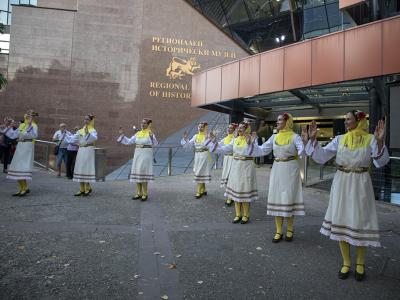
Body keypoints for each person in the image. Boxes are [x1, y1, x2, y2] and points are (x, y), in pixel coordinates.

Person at [303, 110, 389, 281]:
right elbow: (321, 157)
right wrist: (313, 140)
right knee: (341, 219)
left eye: (348, 119)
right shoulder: (340, 139)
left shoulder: (370, 138)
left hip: (360, 183)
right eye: (345, 120)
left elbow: (381, 162)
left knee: (360, 221)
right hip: (341, 182)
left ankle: (360, 263)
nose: (345, 122)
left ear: (358, 120)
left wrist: (379, 143)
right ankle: (346, 262)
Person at [251, 113, 305, 243]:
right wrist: (252, 143)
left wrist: (305, 142)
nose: (278, 122)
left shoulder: (295, 137)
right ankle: (279, 230)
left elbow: (302, 151)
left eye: (281, 120)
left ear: (288, 122)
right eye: (278, 120)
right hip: (277, 168)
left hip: (291, 169)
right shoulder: (274, 137)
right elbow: (263, 150)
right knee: (277, 198)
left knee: (288, 198)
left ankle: (290, 229)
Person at [207, 121, 257, 224]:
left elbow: (255, 151)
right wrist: (214, 143)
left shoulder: (252, 139)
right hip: (236, 167)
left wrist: (250, 143)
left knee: (244, 190)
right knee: (236, 190)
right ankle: (238, 214)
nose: (239, 129)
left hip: (246, 167)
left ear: (247, 129)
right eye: (239, 128)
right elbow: (224, 149)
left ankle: (246, 215)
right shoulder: (235, 140)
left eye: (242, 128)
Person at [117, 118, 158, 201]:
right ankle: (138, 193)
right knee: (137, 172)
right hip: (138, 155)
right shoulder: (138, 133)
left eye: (145, 123)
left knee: (143, 172)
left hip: (146, 155)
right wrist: (122, 135)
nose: (142, 124)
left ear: (148, 125)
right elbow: (129, 141)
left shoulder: (150, 133)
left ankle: (145, 193)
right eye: (142, 123)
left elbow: (155, 143)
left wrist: (151, 136)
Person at [6, 110, 39, 196]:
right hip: (20, 147)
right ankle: (21, 188)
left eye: (30, 115)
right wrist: (8, 127)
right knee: (17, 167)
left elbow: (34, 135)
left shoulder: (34, 125)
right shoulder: (22, 125)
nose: (27, 116)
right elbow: (13, 135)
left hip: (27, 146)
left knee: (23, 167)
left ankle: (24, 188)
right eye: (27, 115)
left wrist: (29, 126)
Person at [65, 114, 97, 196]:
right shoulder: (81, 130)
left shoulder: (93, 130)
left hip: (88, 150)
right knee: (80, 167)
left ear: (90, 121)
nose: (86, 121)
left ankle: (87, 187)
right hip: (81, 150)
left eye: (87, 119)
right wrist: (65, 135)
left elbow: (94, 138)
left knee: (86, 167)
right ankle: (81, 188)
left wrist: (87, 133)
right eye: (85, 119)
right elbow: (73, 139)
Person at [181, 121, 212, 199]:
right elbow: (189, 145)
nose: (200, 128)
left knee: (199, 172)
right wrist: (185, 139)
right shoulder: (195, 136)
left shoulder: (207, 136)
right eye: (199, 126)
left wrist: (209, 138)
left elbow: (210, 145)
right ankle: (204, 189)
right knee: (201, 171)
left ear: (205, 127)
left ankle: (198, 191)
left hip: (204, 155)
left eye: (202, 127)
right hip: (197, 156)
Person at [218, 123, 238, 206]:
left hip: (233, 159)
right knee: (226, 176)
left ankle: (231, 197)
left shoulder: (235, 139)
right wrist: (212, 141)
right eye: (228, 128)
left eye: (231, 128)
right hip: (226, 159)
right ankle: (229, 195)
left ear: (234, 130)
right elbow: (219, 145)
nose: (229, 129)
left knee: (231, 177)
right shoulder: (225, 139)